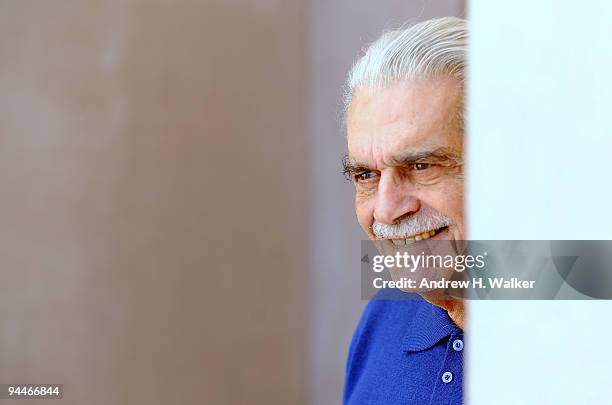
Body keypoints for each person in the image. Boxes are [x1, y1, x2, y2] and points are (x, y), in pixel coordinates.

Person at [341, 17, 468, 404]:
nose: (385, 211)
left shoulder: (579, 331)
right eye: (365, 175)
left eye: (421, 166)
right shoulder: (385, 315)